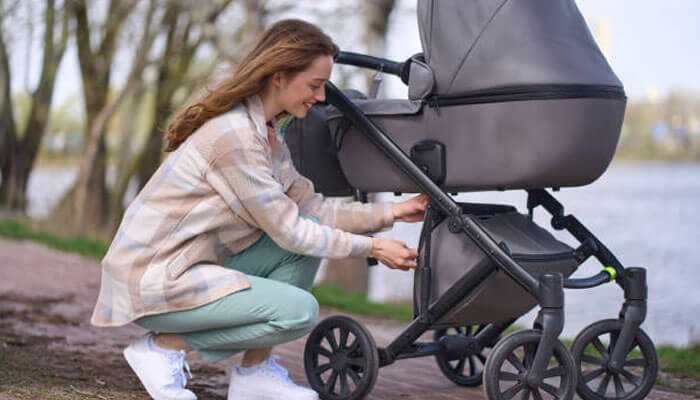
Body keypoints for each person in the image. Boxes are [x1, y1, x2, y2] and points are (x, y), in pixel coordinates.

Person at [90, 19, 428, 400]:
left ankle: (254, 374)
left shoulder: (268, 135)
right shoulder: (233, 137)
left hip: (188, 269)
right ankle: (163, 348)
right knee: (298, 311)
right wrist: (373, 248)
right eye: (314, 86)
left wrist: (393, 213)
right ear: (279, 77)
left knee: (308, 236)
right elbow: (290, 231)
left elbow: (309, 210)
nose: (320, 98)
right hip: (152, 279)